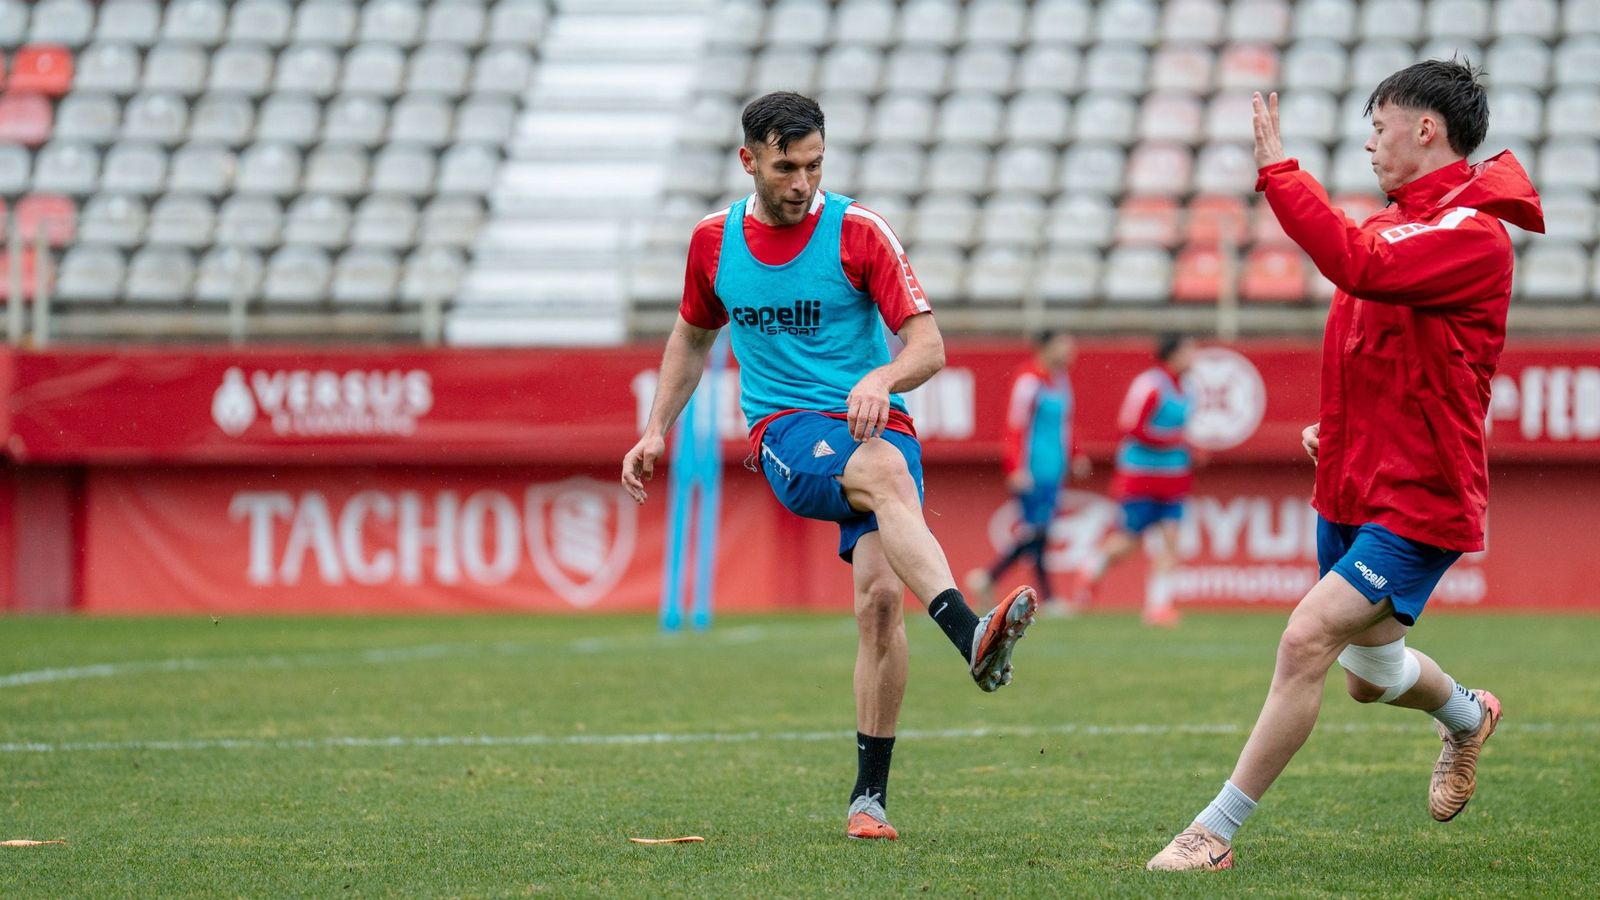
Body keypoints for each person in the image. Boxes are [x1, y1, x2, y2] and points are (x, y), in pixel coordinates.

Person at [1147, 59, 1544, 872]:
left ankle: (1212, 834)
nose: (1370, 144)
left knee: (1305, 640)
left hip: (1422, 497)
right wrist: (1337, 430)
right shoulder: (1402, 225)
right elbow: (1380, 351)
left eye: (1379, 127)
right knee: (1369, 673)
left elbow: (1358, 264)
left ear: (1425, 129)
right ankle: (1467, 716)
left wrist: (1279, 172)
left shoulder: (1471, 236)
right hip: (1354, 482)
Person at [621, 92, 1038, 844]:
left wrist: (882, 377)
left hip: (878, 422)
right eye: (786, 166)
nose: (803, 182)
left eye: (814, 165)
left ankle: (868, 800)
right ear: (748, 160)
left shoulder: (859, 231)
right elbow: (691, 337)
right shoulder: (714, 243)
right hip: (787, 429)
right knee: (882, 474)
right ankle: (969, 634)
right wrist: (655, 429)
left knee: (880, 603)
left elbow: (929, 348)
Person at [1069, 334, 1196, 627]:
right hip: (1141, 476)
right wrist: (1172, 441)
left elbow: (1182, 431)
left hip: (1174, 478)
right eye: (1189, 352)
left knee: (1172, 541)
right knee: (1127, 541)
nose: (1194, 358)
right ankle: (1091, 569)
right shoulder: (1151, 384)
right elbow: (1131, 426)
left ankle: (1157, 607)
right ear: (1173, 355)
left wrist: (1189, 447)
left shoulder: (1189, 389)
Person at [966, 330, 1091, 614]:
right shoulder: (1029, 381)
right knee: (1037, 531)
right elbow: (1016, 425)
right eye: (1063, 346)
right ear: (1045, 348)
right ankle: (1039, 594)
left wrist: (1076, 453)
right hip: (1033, 468)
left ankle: (989, 579)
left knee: (1038, 533)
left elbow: (1065, 423)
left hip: (1054, 469)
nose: (1070, 352)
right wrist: (1015, 467)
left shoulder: (1061, 380)